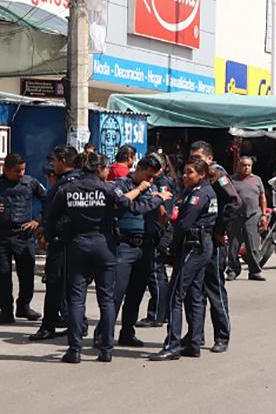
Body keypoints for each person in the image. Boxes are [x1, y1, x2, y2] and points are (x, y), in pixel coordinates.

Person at [48, 152, 140, 363]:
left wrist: (55, 236)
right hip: (104, 246)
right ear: (99, 169)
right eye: (106, 168)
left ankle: (74, 350)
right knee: (106, 299)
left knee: (76, 299)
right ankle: (106, 350)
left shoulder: (67, 189)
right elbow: (125, 204)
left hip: (77, 245)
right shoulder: (107, 188)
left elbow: (51, 216)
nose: (108, 172)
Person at [149, 158, 218, 361]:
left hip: (193, 246)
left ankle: (172, 344)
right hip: (201, 245)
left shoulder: (198, 195)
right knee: (194, 294)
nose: (185, 176)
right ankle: (193, 342)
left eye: (190, 173)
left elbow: (183, 225)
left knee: (174, 295)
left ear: (202, 175)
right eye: (185, 172)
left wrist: (170, 247)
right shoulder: (204, 192)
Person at [104, 155, 172, 347]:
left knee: (136, 293)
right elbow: (128, 206)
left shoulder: (152, 188)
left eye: (153, 177)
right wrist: (142, 191)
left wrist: (160, 203)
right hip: (124, 246)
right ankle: (103, 334)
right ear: (139, 169)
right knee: (116, 293)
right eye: (148, 176)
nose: (150, 180)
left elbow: (162, 219)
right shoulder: (121, 185)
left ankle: (127, 332)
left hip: (146, 246)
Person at [189, 141, 241, 354]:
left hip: (214, 240)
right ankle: (195, 336)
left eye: (199, 158)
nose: (195, 162)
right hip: (197, 241)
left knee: (215, 290)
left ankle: (222, 336)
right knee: (195, 292)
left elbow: (234, 202)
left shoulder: (216, 174)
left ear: (209, 158)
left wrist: (220, 229)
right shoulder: (194, 176)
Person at [30, 146, 81, 341]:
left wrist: (48, 234)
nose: (53, 165)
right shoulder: (75, 181)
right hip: (71, 240)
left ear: (63, 161)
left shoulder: (66, 185)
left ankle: (49, 326)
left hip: (63, 241)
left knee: (56, 283)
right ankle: (75, 323)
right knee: (69, 285)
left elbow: (59, 216)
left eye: (55, 161)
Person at [0, 153, 48, 324]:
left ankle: (24, 306)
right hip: (2, 236)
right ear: (5, 170)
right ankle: (6, 311)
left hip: (23, 235)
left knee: (27, 275)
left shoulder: (30, 182)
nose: (20, 173)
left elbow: (49, 202)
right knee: (3, 276)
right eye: (16, 171)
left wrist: (37, 221)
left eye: (23, 170)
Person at [138, 152, 178, 328]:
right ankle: (162, 312)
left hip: (158, 232)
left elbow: (164, 214)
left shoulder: (162, 184)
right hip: (154, 232)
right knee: (155, 274)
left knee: (156, 274)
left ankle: (157, 314)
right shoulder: (158, 183)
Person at [226, 156, 268, 282]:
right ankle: (232, 271)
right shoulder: (231, 180)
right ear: (238, 166)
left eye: (248, 165)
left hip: (253, 216)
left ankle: (254, 271)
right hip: (235, 217)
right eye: (244, 165)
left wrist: (264, 214)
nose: (246, 168)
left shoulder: (257, 180)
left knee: (253, 246)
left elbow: (262, 197)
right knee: (233, 247)